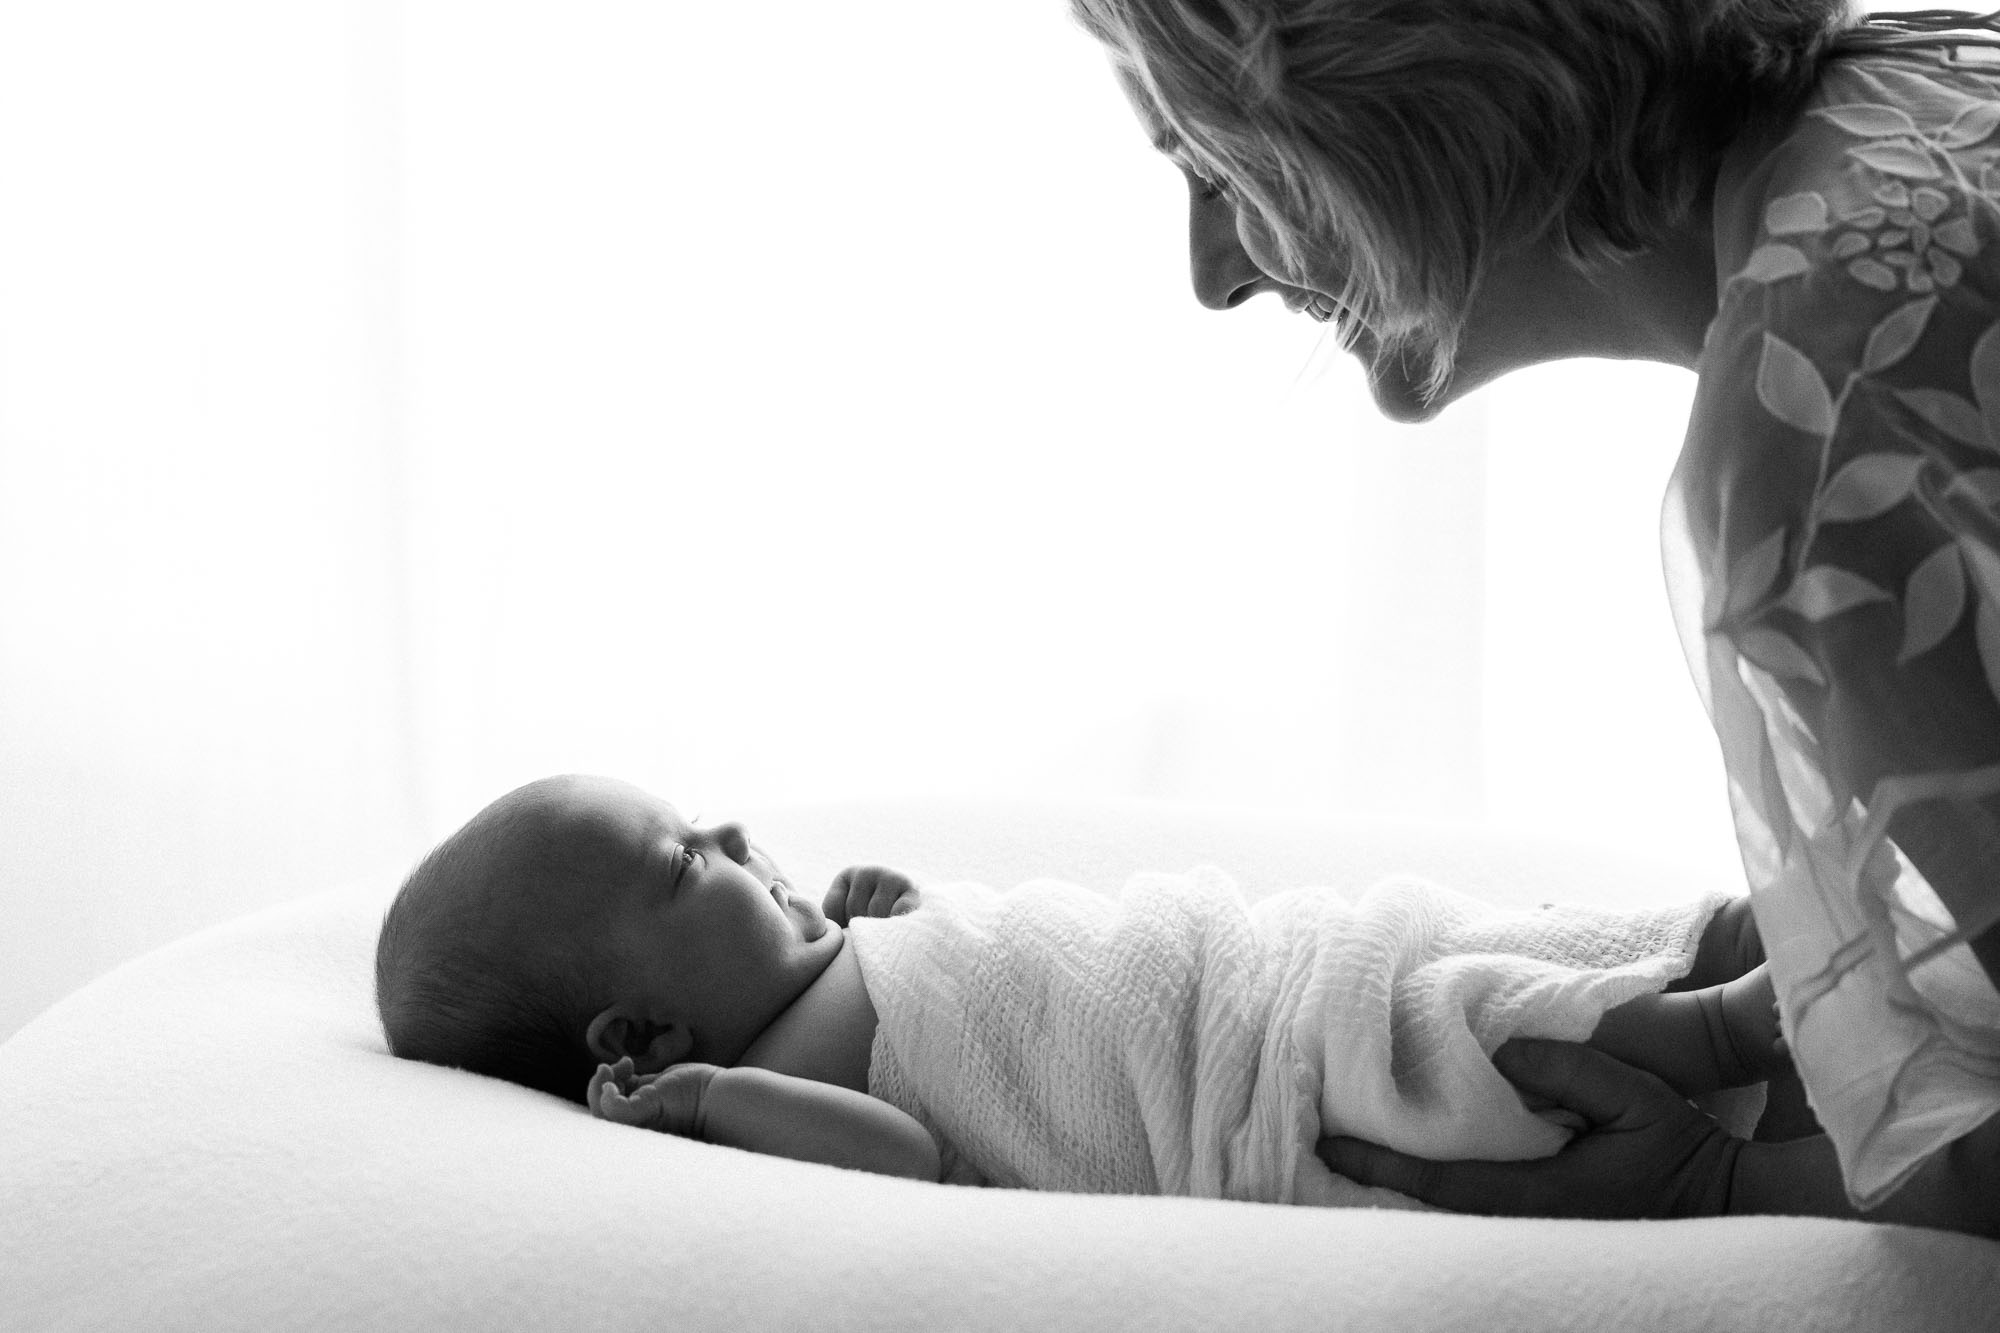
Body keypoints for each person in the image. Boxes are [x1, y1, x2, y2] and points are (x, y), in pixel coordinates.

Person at [1064, 0, 2000, 1233]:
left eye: (1217, 170)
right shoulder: (1941, 69)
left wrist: (1721, 1186)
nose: (1211, 276)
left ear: (1385, 94)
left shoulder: (1816, 453)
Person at [376, 773, 1783, 1202]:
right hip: (1239, 1076)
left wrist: (904, 915)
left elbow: (990, 990)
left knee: (1469, 943)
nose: (739, 835)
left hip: (1243, 964)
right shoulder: (761, 1092)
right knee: (1451, 1024)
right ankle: (1746, 1018)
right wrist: (706, 1101)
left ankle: (1747, 935)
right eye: (688, 860)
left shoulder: (827, 965)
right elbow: (906, 1156)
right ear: (640, 1035)